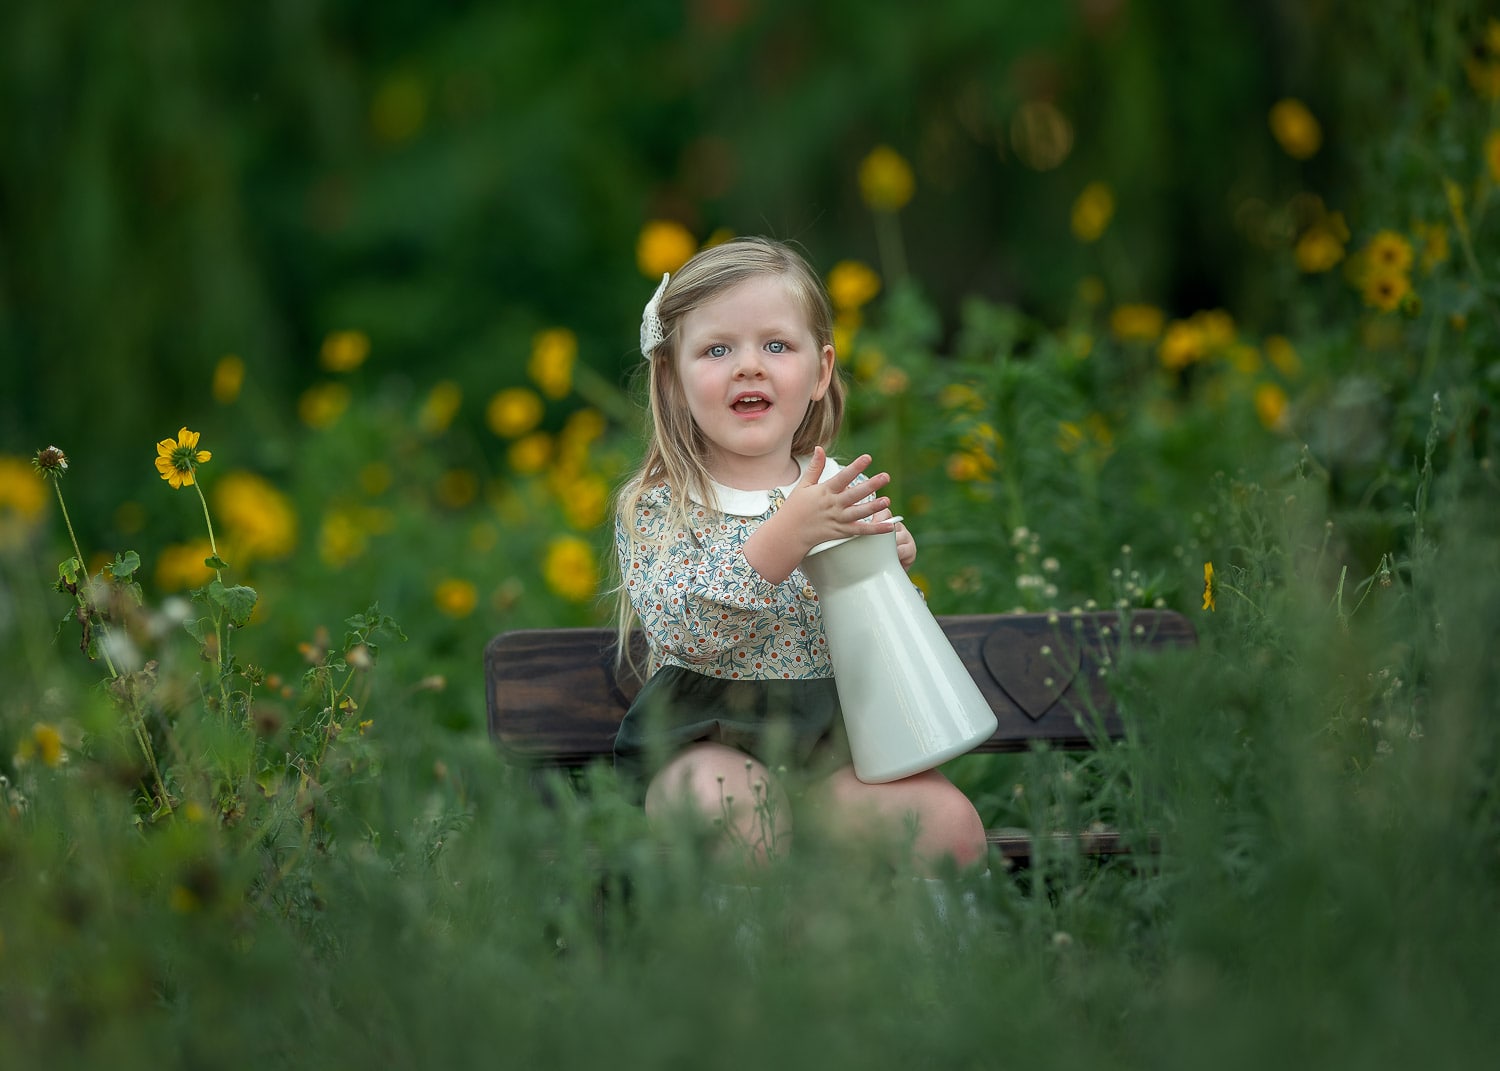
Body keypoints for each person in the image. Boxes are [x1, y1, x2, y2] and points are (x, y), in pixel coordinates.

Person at [610, 236, 987, 876]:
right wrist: (785, 537)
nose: (749, 367)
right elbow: (683, 629)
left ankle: (914, 943)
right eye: (717, 349)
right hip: (701, 746)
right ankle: (745, 943)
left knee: (949, 826)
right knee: (744, 814)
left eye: (777, 346)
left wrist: (886, 573)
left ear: (820, 371)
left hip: (832, 754)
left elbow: (880, 644)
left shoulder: (837, 488)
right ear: (671, 378)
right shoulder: (661, 506)